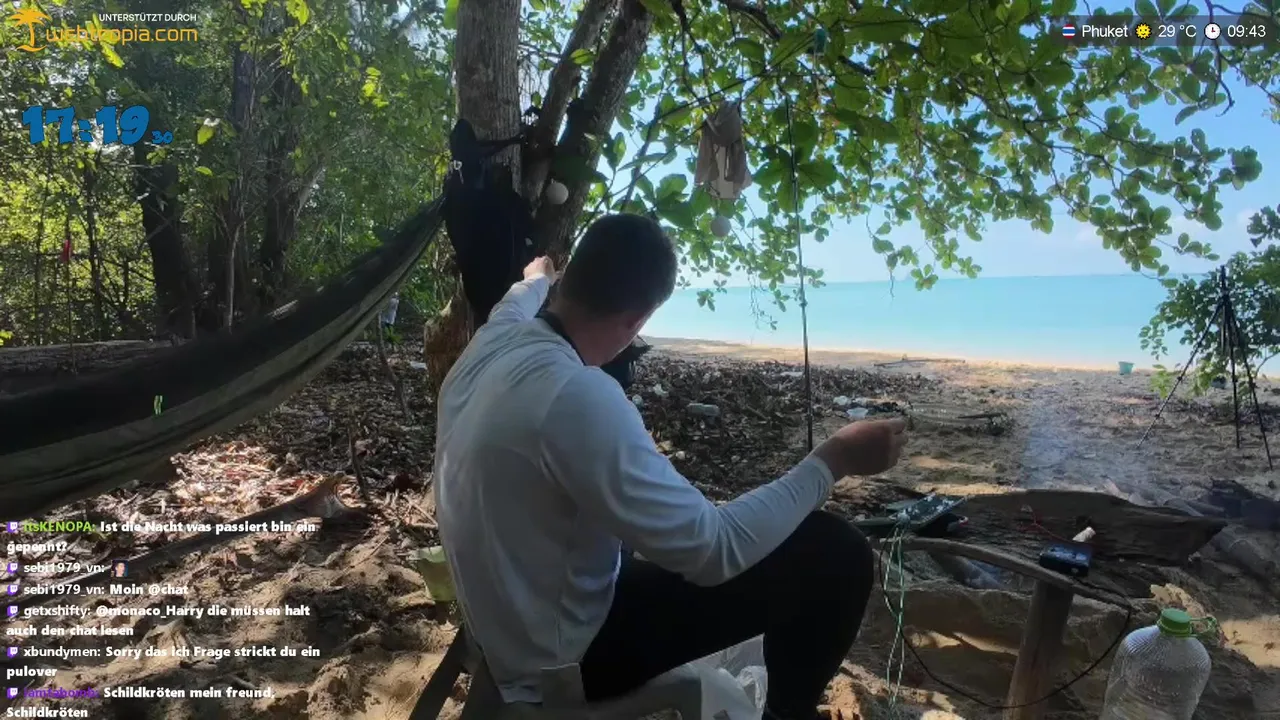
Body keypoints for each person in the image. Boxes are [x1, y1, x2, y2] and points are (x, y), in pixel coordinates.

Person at [433, 213, 908, 720]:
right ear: (638, 320)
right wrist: (834, 459)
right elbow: (714, 550)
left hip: (507, 625)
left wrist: (536, 278)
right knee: (836, 553)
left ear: (570, 280)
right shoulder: (578, 394)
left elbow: (515, 300)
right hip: (564, 658)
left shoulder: (489, 343)